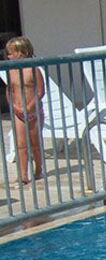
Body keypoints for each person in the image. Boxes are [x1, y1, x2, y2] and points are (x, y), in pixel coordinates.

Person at [4, 37, 45, 184]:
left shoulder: (34, 70)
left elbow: (40, 91)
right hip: (18, 112)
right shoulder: (11, 71)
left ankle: (38, 169)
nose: (8, 57)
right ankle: (23, 174)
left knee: (35, 144)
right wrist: (15, 107)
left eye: (11, 53)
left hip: (33, 111)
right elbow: (9, 91)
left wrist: (29, 107)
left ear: (23, 53)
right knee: (21, 144)